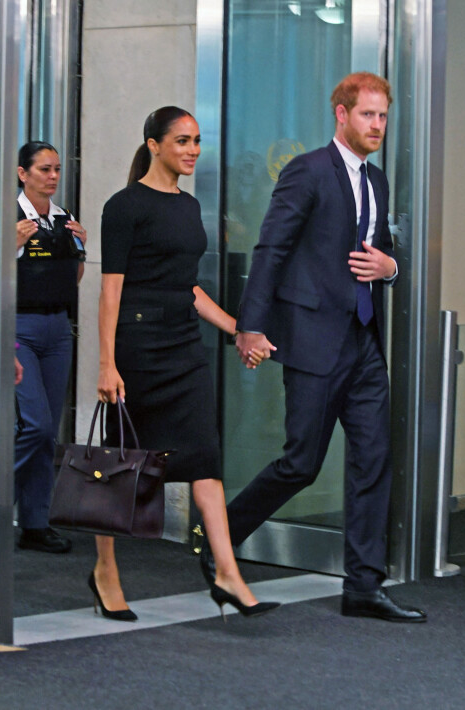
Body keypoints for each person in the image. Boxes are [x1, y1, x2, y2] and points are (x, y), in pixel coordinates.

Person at [208, 72, 427, 622]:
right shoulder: (306, 172)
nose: (377, 126)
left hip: (363, 342)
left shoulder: (376, 181)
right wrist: (249, 327)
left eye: (383, 117)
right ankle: (218, 537)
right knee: (301, 463)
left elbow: (379, 254)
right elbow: (270, 250)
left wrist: (391, 268)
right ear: (341, 114)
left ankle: (364, 588)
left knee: (373, 460)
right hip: (311, 341)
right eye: (367, 115)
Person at [94, 106, 280, 622]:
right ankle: (105, 570)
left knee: (203, 455)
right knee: (120, 467)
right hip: (137, 345)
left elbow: (189, 287)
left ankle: (227, 572)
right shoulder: (124, 206)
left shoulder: (189, 205)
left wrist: (239, 329)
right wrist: (107, 363)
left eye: (196, 141)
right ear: (153, 144)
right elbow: (110, 289)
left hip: (182, 345)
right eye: (182, 141)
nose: (192, 150)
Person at [15, 141, 87, 554]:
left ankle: (36, 523)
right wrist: (9, 244)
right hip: (19, 327)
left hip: (57, 328)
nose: (53, 176)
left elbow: (72, 278)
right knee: (36, 425)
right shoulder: (8, 216)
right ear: (23, 174)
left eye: (57, 169)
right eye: (44, 169)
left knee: (48, 432)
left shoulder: (64, 219)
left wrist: (81, 245)